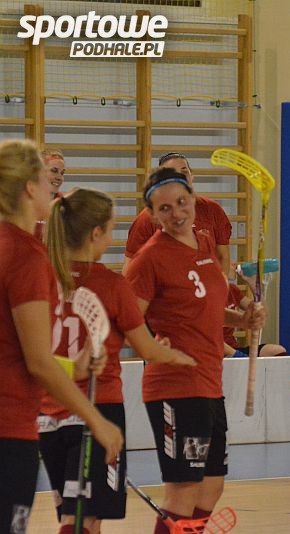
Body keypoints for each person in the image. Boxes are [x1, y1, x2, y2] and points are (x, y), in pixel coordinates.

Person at [41, 187, 196, 533]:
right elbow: (147, 350)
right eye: (111, 229)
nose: (113, 237)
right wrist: (177, 355)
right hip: (98, 410)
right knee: (80, 520)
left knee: (82, 517)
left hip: (47, 417)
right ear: (96, 234)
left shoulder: (42, 280)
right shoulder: (111, 284)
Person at [125, 167, 264, 533]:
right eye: (164, 208)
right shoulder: (149, 259)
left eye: (181, 202)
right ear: (152, 215)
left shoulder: (203, 244)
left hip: (209, 384)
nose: (176, 213)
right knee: (183, 492)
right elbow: (126, 319)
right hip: (175, 387)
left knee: (211, 486)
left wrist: (243, 319)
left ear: (192, 199)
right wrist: (152, 347)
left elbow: (210, 304)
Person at [0, 139, 123, 533]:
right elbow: (37, 361)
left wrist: (74, 366)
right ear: (29, 188)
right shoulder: (25, 255)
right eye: (44, 178)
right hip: (9, 427)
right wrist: (96, 421)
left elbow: (16, 351)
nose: (53, 188)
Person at [121, 152, 232, 275]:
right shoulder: (146, 223)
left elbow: (223, 258)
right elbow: (129, 270)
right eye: (173, 175)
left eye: (184, 172)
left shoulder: (210, 217)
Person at [224, 279, 286, 358]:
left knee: (277, 351)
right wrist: (239, 356)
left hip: (233, 348)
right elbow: (212, 340)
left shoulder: (231, 289)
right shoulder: (210, 293)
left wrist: (253, 284)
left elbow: (262, 311)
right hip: (218, 351)